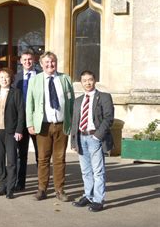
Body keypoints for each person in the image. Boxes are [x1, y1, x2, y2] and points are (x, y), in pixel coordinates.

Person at [26, 51, 74, 202]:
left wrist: (71, 122)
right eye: (46, 62)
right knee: (43, 159)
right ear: (41, 64)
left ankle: (60, 190)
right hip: (43, 126)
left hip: (61, 125)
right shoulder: (35, 80)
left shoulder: (65, 79)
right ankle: (42, 189)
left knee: (60, 158)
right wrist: (30, 123)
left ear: (56, 62)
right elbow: (30, 104)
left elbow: (71, 102)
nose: (50, 65)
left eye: (52, 62)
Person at [71, 70, 114, 212]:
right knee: (86, 171)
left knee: (98, 171)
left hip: (95, 138)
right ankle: (88, 196)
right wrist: (74, 142)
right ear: (81, 83)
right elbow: (74, 122)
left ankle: (98, 200)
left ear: (94, 80)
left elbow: (108, 118)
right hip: (81, 138)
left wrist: (97, 136)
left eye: (90, 79)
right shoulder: (78, 101)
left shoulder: (104, 97)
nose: (87, 83)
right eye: (84, 81)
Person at [0, 68, 25, 199]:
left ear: (11, 79)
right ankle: (2, 187)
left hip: (11, 132)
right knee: (0, 160)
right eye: (1, 77)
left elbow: (21, 113)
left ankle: (10, 189)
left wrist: (19, 130)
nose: (4, 79)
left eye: (6, 77)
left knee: (12, 161)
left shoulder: (16, 93)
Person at [12, 50, 40, 191]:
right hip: (21, 121)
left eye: (30, 59)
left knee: (40, 155)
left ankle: (42, 184)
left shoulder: (41, 76)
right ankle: (20, 183)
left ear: (34, 60)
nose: (27, 62)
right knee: (20, 155)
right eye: (25, 59)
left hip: (37, 121)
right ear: (21, 61)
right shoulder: (15, 78)